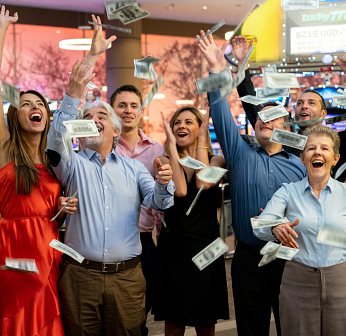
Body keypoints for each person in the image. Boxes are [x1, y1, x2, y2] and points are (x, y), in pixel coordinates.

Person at [46, 57, 175, 335]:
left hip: (127, 278)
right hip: (80, 277)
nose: (94, 120)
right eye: (88, 118)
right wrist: (74, 95)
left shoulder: (135, 168)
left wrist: (165, 183)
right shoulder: (71, 164)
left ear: (115, 130)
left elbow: (159, 201)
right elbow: (56, 140)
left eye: (102, 116)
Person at [197, 31, 306, 336]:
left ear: (284, 126)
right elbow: (219, 109)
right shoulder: (240, 154)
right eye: (259, 115)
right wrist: (217, 70)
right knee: (250, 330)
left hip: (288, 258)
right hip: (248, 260)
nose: (265, 120)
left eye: (273, 117)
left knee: (292, 327)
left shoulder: (299, 166)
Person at [0, 4, 77, 335]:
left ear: (47, 117)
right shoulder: (6, 150)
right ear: (16, 116)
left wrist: (62, 209)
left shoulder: (57, 159)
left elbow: (53, 209)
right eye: (26, 104)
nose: (34, 107)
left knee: (48, 323)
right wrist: (2, 28)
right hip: (12, 252)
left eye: (39, 103)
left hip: (48, 249)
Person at [253, 125, 346, 336]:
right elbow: (261, 225)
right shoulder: (288, 192)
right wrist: (275, 226)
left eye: (324, 148)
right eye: (311, 148)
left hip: (342, 283)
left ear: (335, 158)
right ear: (302, 158)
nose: (317, 152)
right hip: (297, 282)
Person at [232, 36, 346, 181]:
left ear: (323, 113)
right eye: (299, 103)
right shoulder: (284, 140)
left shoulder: (336, 142)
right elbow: (255, 111)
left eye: (311, 103)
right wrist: (243, 64)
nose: (304, 106)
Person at [153, 107, 229, 335]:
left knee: (206, 319)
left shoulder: (217, 160)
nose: (181, 126)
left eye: (189, 122)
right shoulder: (162, 159)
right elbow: (181, 190)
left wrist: (204, 139)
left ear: (200, 128)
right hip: (175, 246)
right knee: (174, 320)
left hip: (208, 245)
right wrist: (173, 152)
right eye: (177, 122)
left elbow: (202, 183)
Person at [110, 85, 165, 336]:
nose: (128, 111)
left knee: (139, 311)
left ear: (141, 111)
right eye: (122, 105)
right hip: (110, 239)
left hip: (144, 242)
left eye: (134, 106)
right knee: (111, 311)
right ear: (112, 110)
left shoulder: (156, 150)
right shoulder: (103, 149)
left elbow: (162, 197)